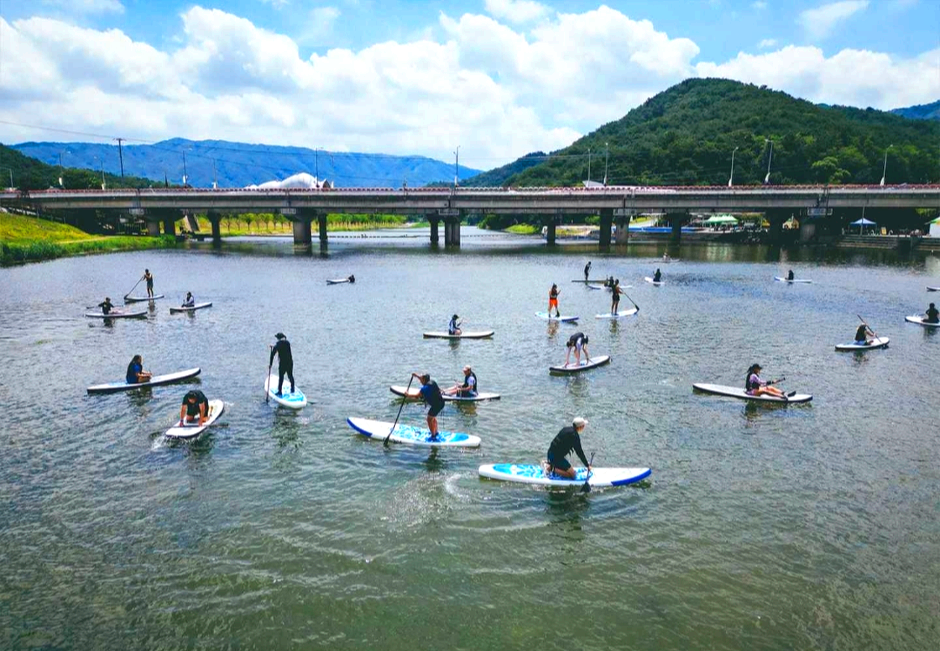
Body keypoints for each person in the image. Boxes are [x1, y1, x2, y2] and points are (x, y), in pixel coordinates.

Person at [412, 372, 445, 440]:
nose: (420, 380)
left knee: (429, 419)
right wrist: (416, 375)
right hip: (441, 403)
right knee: (432, 417)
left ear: (424, 380)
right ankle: (435, 432)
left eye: (421, 379)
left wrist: (407, 395)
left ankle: (433, 435)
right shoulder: (432, 382)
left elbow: (416, 396)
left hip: (436, 405)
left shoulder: (424, 388)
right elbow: (422, 378)